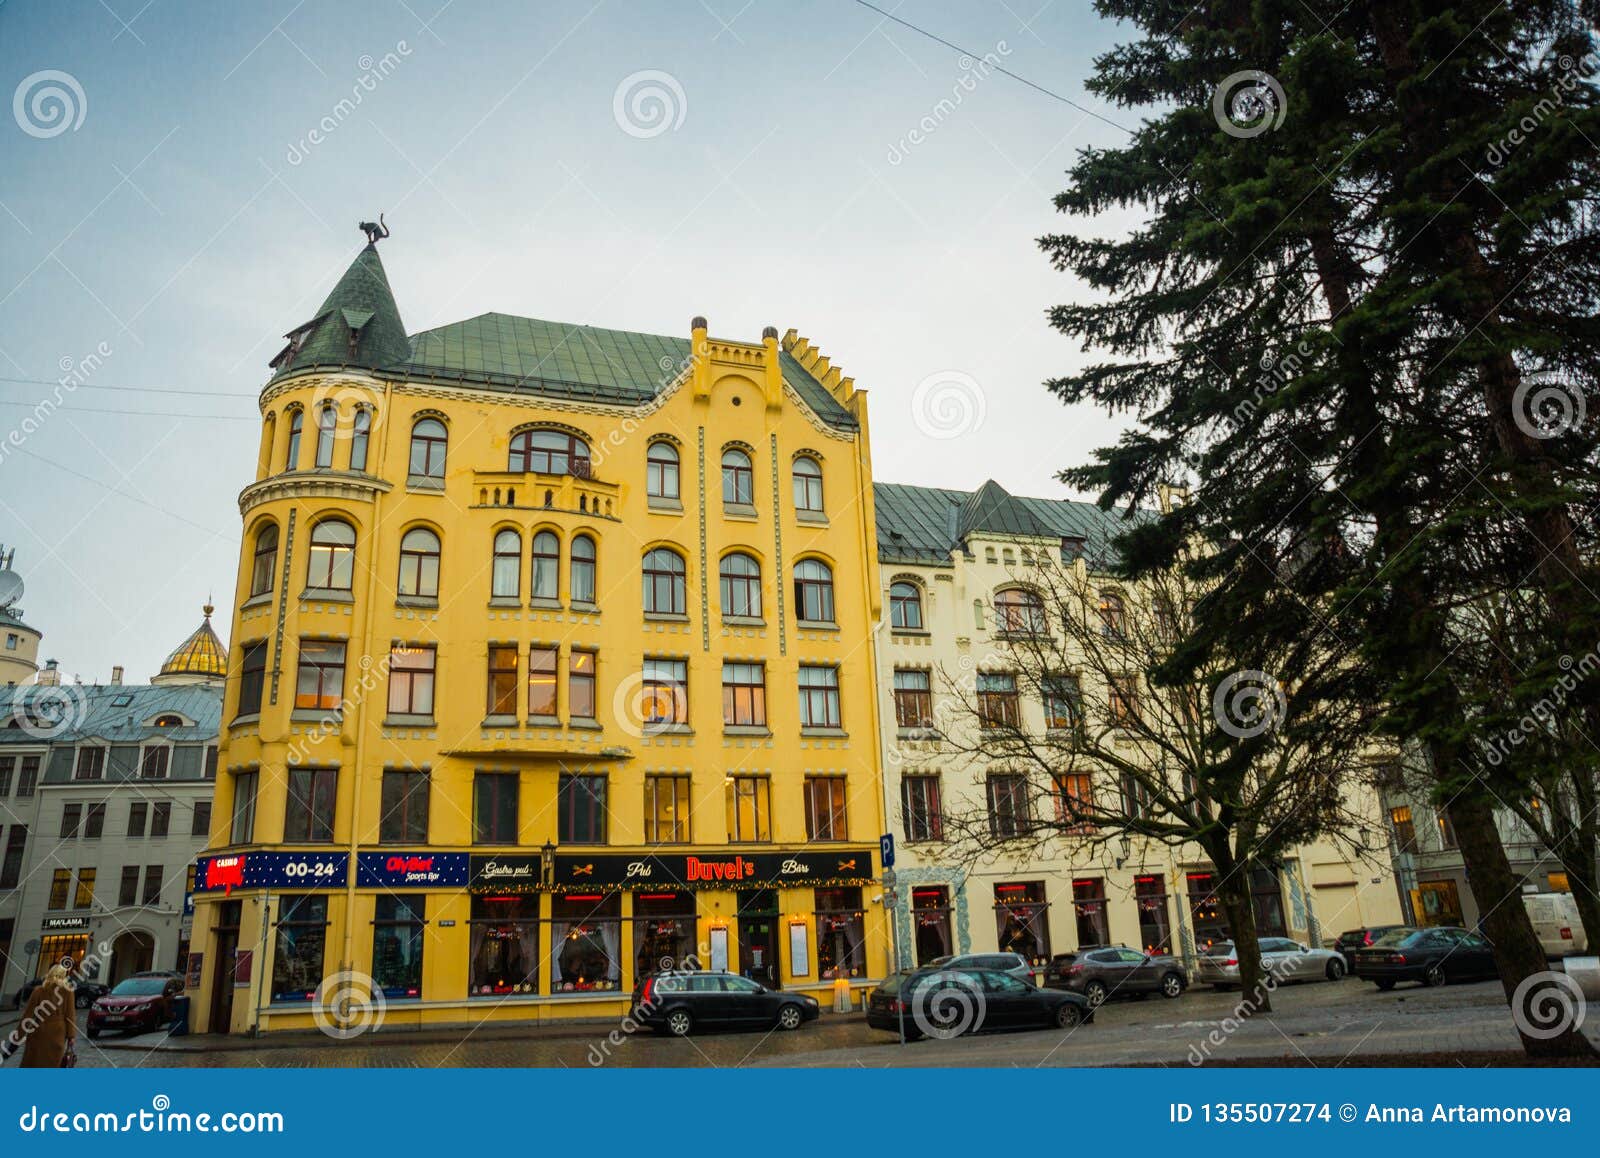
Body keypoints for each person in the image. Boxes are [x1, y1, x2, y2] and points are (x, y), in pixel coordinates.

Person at [16, 964, 77, 1067]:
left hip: (38, 1033)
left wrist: (18, 1036)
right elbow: (70, 1015)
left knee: (34, 1064)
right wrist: (71, 1036)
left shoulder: (39, 990)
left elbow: (28, 1016)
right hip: (57, 1035)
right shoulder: (68, 991)